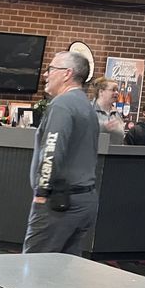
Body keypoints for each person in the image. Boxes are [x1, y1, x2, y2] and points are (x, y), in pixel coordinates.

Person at [24, 51, 99, 257]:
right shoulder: (86, 105)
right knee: (64, 272)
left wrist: (41, 192)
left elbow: (52, 151)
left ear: (67, 73)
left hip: (60, 203)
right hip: (85, 200)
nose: (45, 75)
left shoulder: (62, 104)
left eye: (50, 69)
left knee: (34, 268)